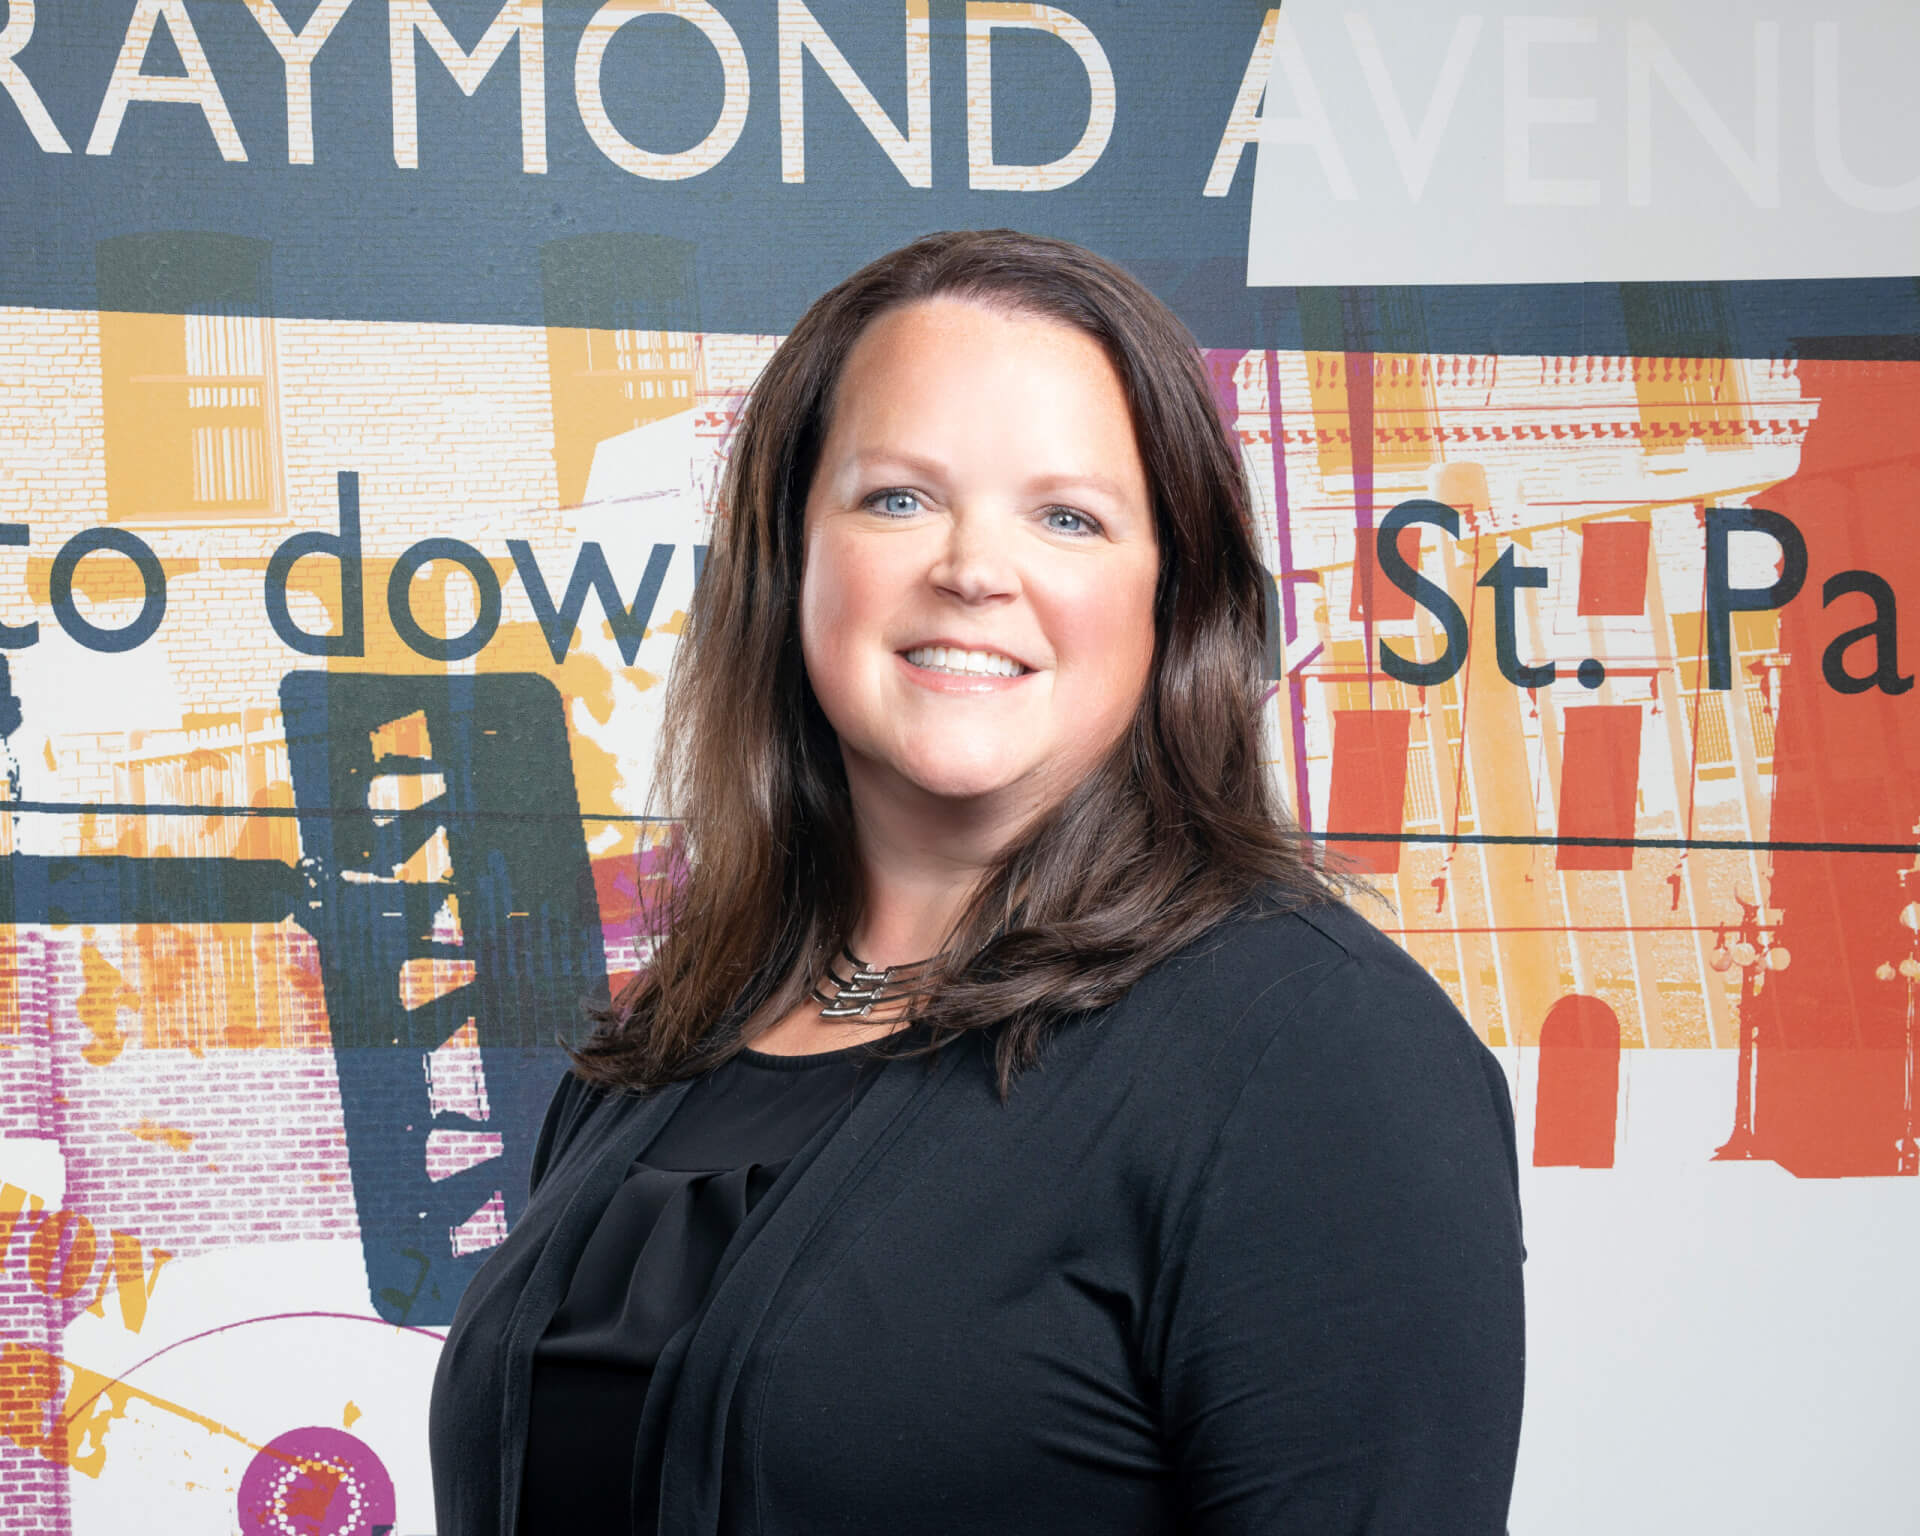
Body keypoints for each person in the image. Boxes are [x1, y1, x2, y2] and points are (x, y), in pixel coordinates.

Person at [428, 228, 1525, 1535]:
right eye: (898, 497)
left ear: (1174, 596)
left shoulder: (1314, 1054)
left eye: (1068, 516)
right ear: (790, 558)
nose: (971, 569)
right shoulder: (669, 1038)